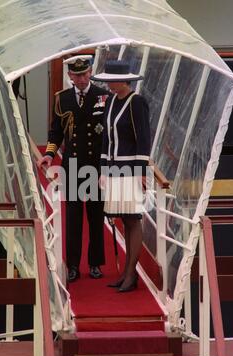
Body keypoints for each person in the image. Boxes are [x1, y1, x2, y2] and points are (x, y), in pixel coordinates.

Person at [38, 55, 109, 282]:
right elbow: (56, 132)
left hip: (96, 164)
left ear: (90, 72)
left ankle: (95, 263)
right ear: (70, 75)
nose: (81, 78)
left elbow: (109, 131)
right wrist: (49, 154)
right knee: (74, 216)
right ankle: (73, 265)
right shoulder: (62, 99)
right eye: (77, 74)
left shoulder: (103, 96)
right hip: (73, 164)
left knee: (96, 214)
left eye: (85, 73)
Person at [92, 60, 151, 292]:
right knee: (124, 220)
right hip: (115, 168)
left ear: (122, 80)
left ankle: (130, 275)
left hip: (130, 169)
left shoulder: (137, 102)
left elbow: (144, 139)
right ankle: (127, 273)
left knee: (132, 219)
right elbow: (106, 139)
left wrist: (141, 171)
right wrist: (104, 168)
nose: (108, 84)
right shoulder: (112, 102)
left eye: (111, 80)